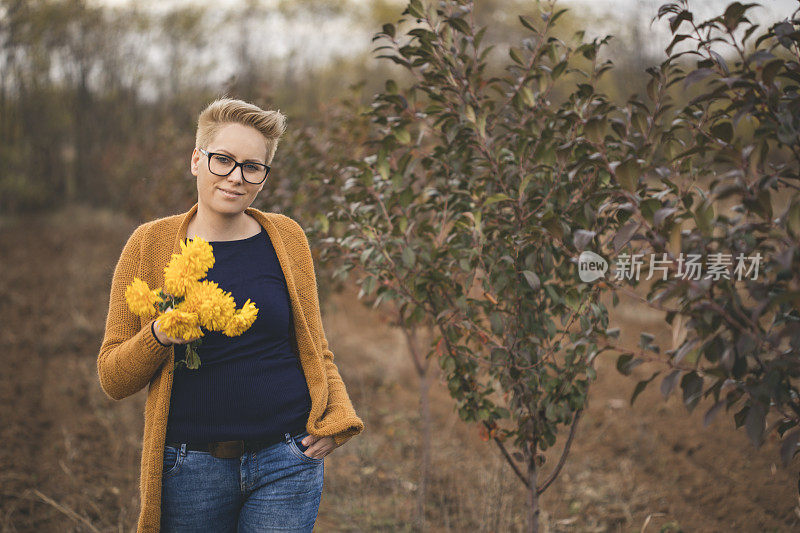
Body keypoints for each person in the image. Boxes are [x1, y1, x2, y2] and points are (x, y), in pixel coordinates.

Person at [97, 97, 364, 533]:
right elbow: (113, 378)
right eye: (223, 160)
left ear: (263, 175)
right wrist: (159, 335)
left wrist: (337, 420)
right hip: (191, 471)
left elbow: (316, 347)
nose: (236, 177)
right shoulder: (149, 245)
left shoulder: (287, 237)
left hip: (287, 461)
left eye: (252, 167)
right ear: (196, 161)